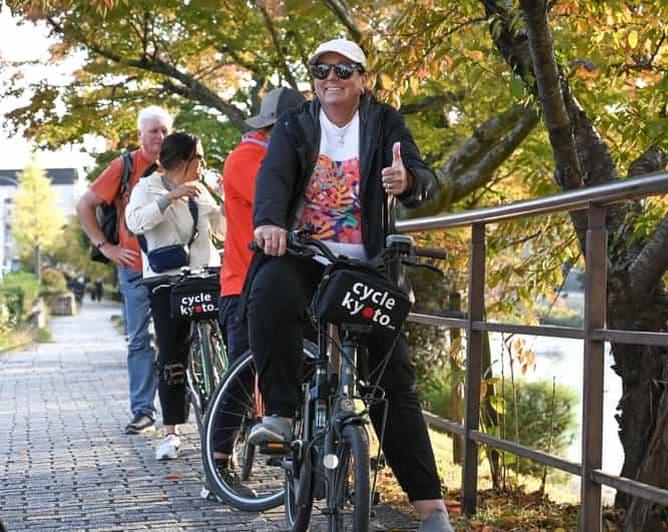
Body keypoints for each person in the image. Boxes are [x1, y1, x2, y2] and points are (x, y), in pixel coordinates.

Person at [245, 39, 452, 531]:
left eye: (343, 70)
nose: (331, 78)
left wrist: (409, 181)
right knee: (269, 291)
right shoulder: (296, 122)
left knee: (391, 380)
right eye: (321, 69)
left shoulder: (385, 122)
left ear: (362, 77)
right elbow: (272, 178)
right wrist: (270, 222)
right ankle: (279, 413)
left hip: (367, 267)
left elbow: (427, 180)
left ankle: (431, 510)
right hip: (305, 257)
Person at [125, 131, 225, 460]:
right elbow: (135, 222)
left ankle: (234, 419)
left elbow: (224, 230)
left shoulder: (202, 190)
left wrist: (225, 197)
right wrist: (170, 198)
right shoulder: (148, 187)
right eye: (199, 159)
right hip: (167, 281)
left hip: (205, 275)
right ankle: (171, 432)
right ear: (183, 162)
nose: (203, 165)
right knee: (172, 351)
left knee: (230, 335)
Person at [76, 105, 172, 435]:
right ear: (141, 135)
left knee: (180, 336)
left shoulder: (178, 159)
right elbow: (84, 205)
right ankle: (143, 411)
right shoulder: (124, 165)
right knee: (140, 339)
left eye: (164, 131)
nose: (160, 137)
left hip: (174, 263)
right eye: (154, 131)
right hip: (133, 266)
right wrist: (106, 247)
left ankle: (185, 405)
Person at [219, 87, 305, 361]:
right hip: (244, 287)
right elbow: (283, 203)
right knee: (242, 389)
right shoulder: (246, 157)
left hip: (285, 285)